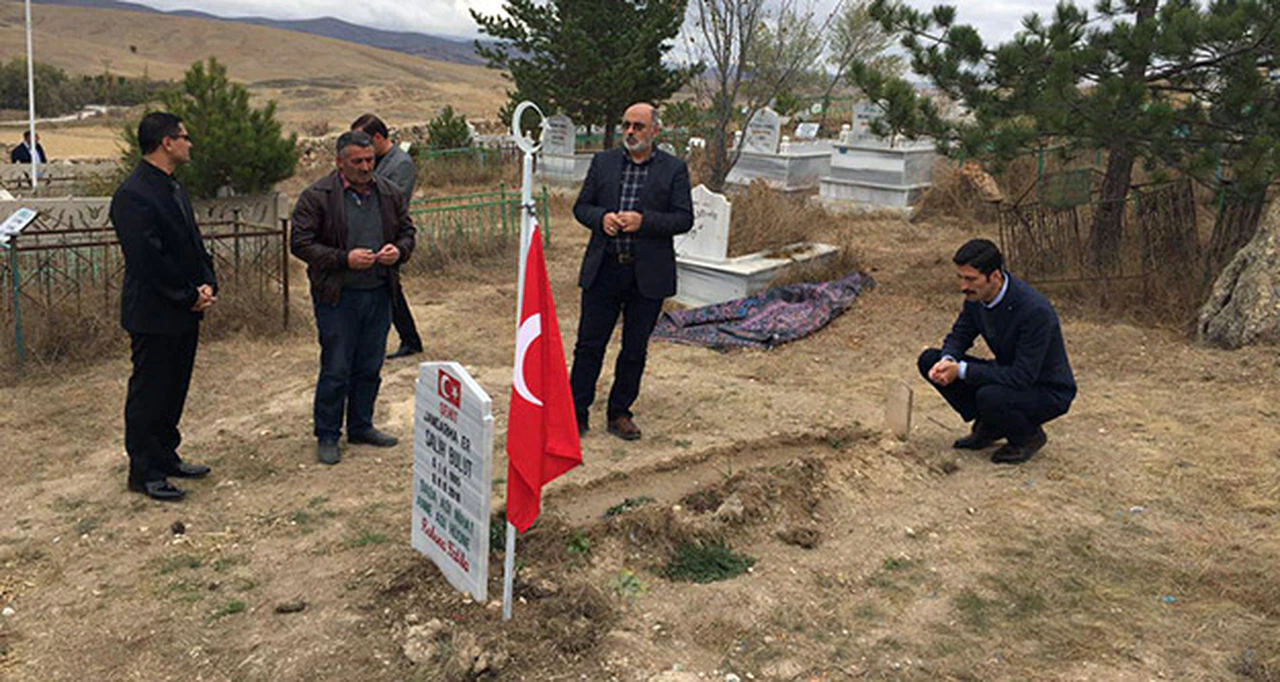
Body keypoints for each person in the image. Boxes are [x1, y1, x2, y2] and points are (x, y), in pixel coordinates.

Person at [569, 102, 693, 441]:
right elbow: (581, 207)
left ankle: (620, 413)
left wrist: (644, 222)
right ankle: (575, 412)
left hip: (647, 274)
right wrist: (601, 218)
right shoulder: (604, 162)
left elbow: (684, 218)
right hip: (605, 269)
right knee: (589, 345)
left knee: (634, 348)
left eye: (638, 126)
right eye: (626, 125)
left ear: (655, 130)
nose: (630, 132)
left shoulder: (673, 169)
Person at [291, 130, 415, 465]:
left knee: (370, 365)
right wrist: (344, 259)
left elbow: (407, 232)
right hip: (338, 297)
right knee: (336, 367)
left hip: (379, 292)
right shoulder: (317, 196)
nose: (365, 167)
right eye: (357, 161)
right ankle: (328, 434)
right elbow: (301, 243)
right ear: (340, 162)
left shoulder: (388, 193)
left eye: (370, 160)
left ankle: (361, 426)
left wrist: (398, 251)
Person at [110, 112, 216, 501]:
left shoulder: (172, 187)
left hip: (185, 308)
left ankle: (166, 456)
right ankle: (144, 471)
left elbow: (192, 243)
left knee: (174, 389)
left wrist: (207, 282)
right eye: (185, 137)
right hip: (155, 313)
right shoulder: (133, 194)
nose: (190, 143)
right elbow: (148, 259)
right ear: (166, 142)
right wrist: (187, 294)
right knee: (149, 393)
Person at [918, 239, 1076, 464]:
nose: (963, 286)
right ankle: (991, 426)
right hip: (1008, 372)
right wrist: (947, 360)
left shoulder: (1033, 310)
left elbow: (1023, 376)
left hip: (1045, 388)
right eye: (960, 278)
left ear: (994, 276)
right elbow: (960, 335)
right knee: (929, 360)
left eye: (970, 279)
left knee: (991, 396)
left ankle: (1027, 437)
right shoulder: (976, 298)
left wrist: (961, 370)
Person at [350, 113, 423, 360]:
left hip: (387, 236)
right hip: (369, 234)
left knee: (389, 290)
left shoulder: (401, 164)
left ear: (378, 137)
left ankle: (408, 340)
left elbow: (394, 202)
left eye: (363, 140)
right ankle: (410, 340)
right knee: (390, 291)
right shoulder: (377, 161)